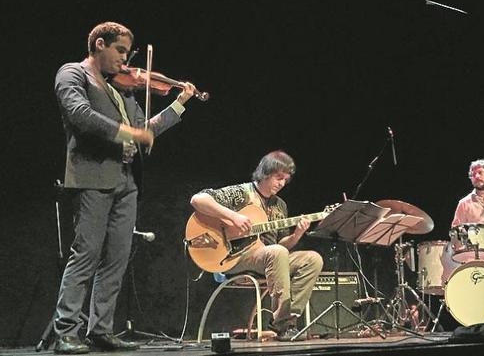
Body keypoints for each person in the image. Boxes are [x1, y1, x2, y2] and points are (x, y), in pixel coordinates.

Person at [53, 21, 196, 354]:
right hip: (93, 177)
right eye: (120, 51)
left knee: (116, 257)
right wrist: (129, 134)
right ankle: (66, 331)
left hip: (127, 180)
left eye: (128, 54)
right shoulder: (73, 74)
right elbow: (81, 115)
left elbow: (145, 129)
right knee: (86, 253)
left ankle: (99, 330)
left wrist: (179, 104)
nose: (125, 61)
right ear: (99, 44)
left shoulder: (123, 90)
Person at [190, 150, 323, 341]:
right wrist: (233, 216)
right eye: (278, 177)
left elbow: (281, 245)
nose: (282, 183)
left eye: (285, 179)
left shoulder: (280, 205)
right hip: (235, 256)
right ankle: (283, 325)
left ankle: (286, 319)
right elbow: (198, 199)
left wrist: (297, 234)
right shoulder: (242, 193)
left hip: (268, 257)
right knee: (276, 253)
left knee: (312, 259)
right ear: (266, 173)